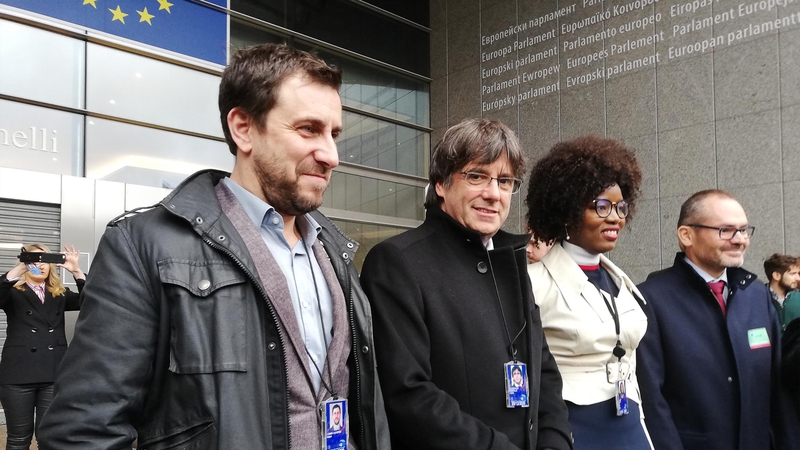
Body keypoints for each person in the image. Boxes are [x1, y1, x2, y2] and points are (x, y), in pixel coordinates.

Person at [37, 44, 390, 450]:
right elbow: (83, 432)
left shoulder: (334, 250)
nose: (332, 155)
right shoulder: (143, 245)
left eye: (334, 134)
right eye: (309, 129)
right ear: (243, 128)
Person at [360, 118, 573, 450]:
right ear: (441, 184)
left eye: (505, 181)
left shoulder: (511, 260)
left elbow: (543, 370)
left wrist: (555, 442)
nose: (493, 194)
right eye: (476, 176)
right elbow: (408, 394)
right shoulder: (396, 262)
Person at [636, 190, 799, 450]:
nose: (740, 240)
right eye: (726, 230)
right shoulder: (651, 300)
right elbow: (651, 400)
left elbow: (777, 391)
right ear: (686, 235)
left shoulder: (756, 295)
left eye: (743, 230)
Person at [525, 136, 652, 450]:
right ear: (567, 212)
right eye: (602, 206)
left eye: (621, 207)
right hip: (569, 431)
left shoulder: (622, 284)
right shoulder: (531, 284)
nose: (616, 217)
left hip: (630, 426)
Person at [0, 244, 84, 450]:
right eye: (35, 259)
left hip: (53, 374)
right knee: (18, 439)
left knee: (49, 437)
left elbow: (91, 301)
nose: (41, 264)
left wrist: (76, 271)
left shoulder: (60, 294)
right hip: (18, 375)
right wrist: (20, 268)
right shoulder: (12, 292)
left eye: (45, 259)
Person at [764, 253, 800, 330]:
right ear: (776, 276)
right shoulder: (758, 298)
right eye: (793, 274)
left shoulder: (798, 297)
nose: (798, 278)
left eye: (798, 274)